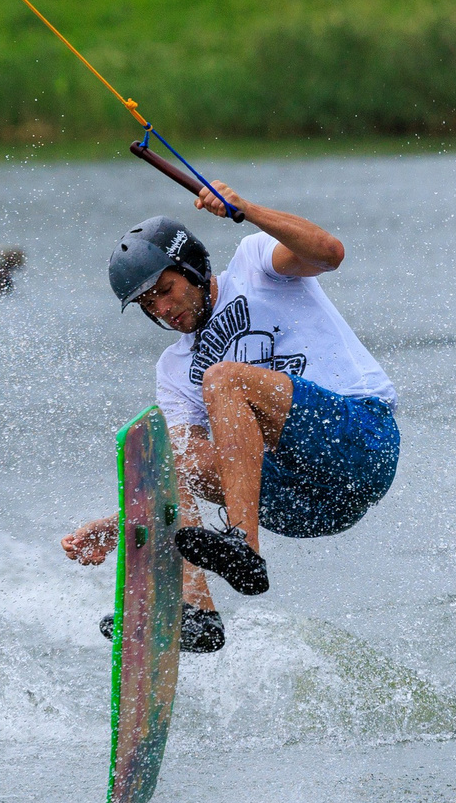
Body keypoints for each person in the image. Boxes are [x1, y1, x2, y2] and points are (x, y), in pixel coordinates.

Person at [62, 184, 400, 653]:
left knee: (224, 380)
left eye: (166, 290)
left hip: (359, 443)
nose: (162, 309)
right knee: (169, 451)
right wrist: (121, 526)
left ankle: (243, 544)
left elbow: (330, 253)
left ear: (193, 268)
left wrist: (248, 209)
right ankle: (197, 613)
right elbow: (179, 474)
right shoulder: (173, 370)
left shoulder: (255, 264)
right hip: (301, 504)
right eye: (148, 305)